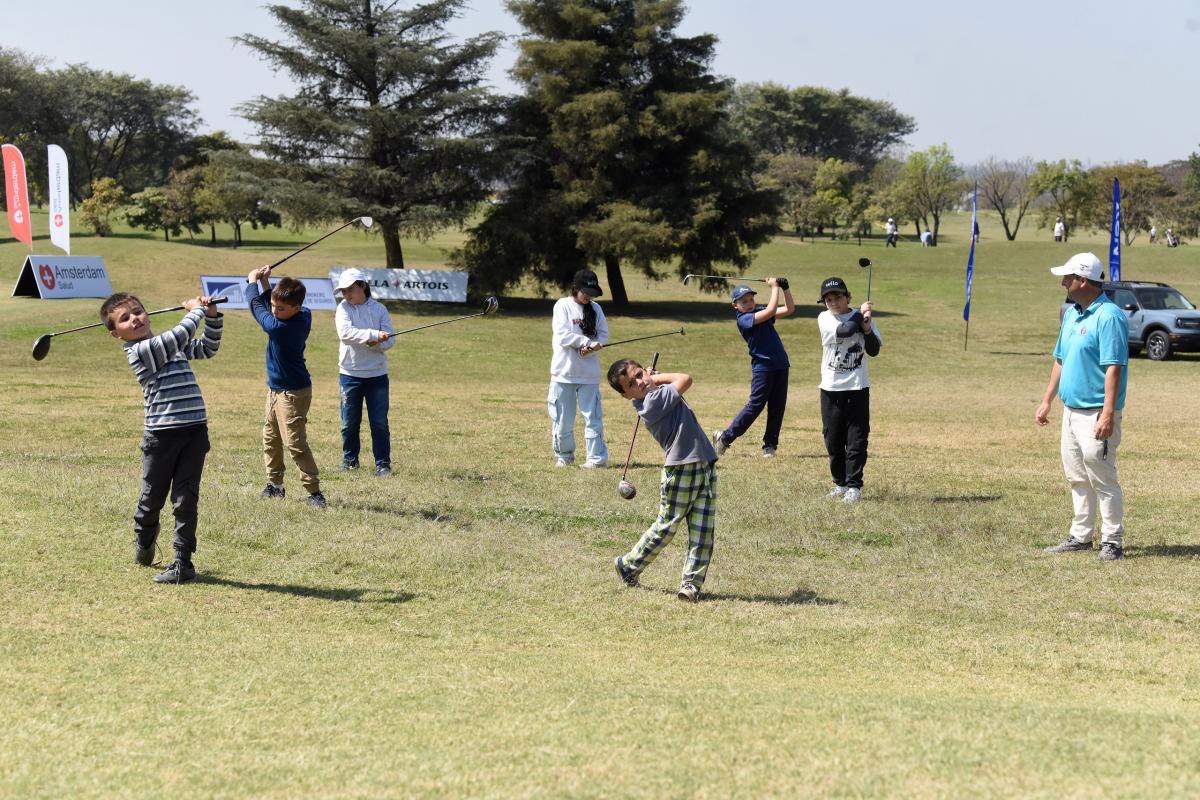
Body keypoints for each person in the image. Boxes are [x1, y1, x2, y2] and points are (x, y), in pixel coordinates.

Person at [101, 291, 223, 583]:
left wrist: (214, 317)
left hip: (194, 431)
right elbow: (177, 336)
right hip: (161, 436)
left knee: (186, 498)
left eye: (138, 312)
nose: (135, 319)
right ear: (117, 334)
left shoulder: (172, 346)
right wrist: (196, 312)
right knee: (151, 497)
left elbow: (207, 349)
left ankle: (183, 562)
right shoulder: (141, 351)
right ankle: (144, 540)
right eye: (125, 318)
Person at [1036, 252, 1128, 561]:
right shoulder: (1072, 313)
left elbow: (1114, 366)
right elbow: (1060, 359)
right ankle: (1080, 536)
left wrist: (1107, 413)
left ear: (1083, 280)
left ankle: (1112, 541)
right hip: (1071, 411)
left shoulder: (1110, 316)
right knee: (1076, 476)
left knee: (1102, 476)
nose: (1062, 281)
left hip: (1097, 413)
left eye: (1067, 277)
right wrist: (1047, 400)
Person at [608, 358, 718, 603]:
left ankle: (691, 585)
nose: (640, 382)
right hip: (681, 469)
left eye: (639, 375)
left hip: (703, 463)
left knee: (703, 531)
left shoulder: (655, 394)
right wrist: (655, 377)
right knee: (667, 526)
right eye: (632, 384)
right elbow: (685, 379)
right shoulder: (651, 402)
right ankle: (628, 565)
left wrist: (652, 379)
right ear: (627, 396)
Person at [246, 266, 326, 508]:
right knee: (270, 438)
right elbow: (269, 303)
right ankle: (275, 486)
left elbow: (256, 307)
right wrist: (266, 284)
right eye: (274, 305)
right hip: (275, 390)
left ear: (296, 308)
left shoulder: (280, 328)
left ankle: (314, 492)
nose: (274, 310)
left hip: (293, 393)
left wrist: (252, 282)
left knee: (295, 443)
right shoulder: (303, 314)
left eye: (281, 308)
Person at [816, 277, 881, 505]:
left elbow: (874, 350)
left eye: (838, 297)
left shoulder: (861, 318)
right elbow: (845, 331)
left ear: (847, 297)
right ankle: (840, 484)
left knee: (857, 438)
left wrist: (868, 328)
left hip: (857, 388)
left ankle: (854, 486)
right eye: (829, 299)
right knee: (833, 439)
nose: (834, 302)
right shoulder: (825, 318)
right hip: (831, 388)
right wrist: (860, 316)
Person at [712, 278, 794, 458]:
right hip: (763, 368)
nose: (749, 304)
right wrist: (774, 287)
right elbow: (771, 309)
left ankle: (770, 446)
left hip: (781, 364)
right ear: (735, 305)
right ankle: (725, 438)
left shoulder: (758, 310)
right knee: (755, 406)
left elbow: (789, 309)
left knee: (777, 407)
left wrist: (785, 288)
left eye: (750, 300)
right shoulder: (744, 319)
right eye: (743, 301)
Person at [334, 268, 395, 476]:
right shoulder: (343, 309)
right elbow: (345, 334)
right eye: (343, 291)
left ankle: (383, 464)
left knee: (379, 422)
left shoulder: (380, 310)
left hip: (377, 374)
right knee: (349, 423)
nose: (346, 294)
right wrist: (373, 334)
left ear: (362, 286)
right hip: (349, 374)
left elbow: (391, 340)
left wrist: (377, 343)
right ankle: (350, 460)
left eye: (350, 289)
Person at [548, 269, 610, 468]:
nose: (589, 297)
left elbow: (603, 336)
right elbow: (562, 336)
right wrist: (585, 343)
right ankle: (564, 457)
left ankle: (596, 459)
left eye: (592, 294)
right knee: (562, 420)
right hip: (563, 374)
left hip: (589, 375)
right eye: (586, 292)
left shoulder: (596, 309)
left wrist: (590, 350)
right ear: (575, 289)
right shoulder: (562, 306)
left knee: (593, 419)